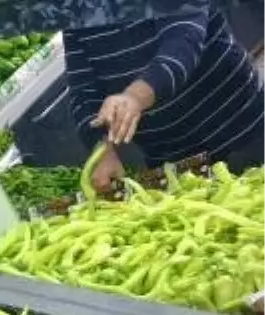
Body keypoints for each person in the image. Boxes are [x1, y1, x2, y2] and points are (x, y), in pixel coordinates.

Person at [64, 2, 265, 191]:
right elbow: (83, 92)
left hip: (241, 128)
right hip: (175, 160)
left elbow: (182, 45)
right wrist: (102, 151)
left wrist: (134, 97)